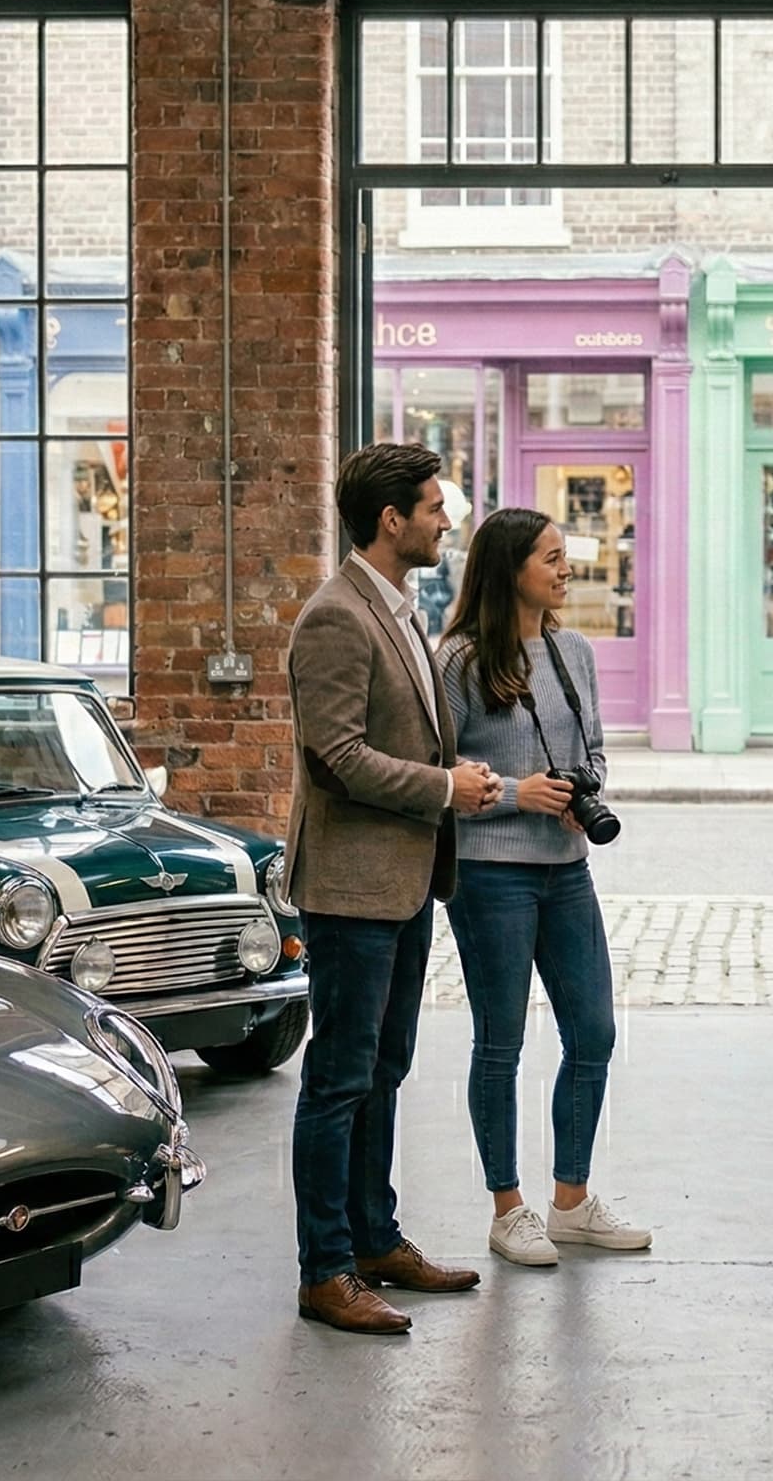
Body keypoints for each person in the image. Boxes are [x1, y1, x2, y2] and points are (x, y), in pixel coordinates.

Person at [284, 441, 503, 1335]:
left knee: (384, 1069)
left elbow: (400, 738)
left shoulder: (403, 610)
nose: (446, 521)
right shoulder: (334, 617)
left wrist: (458, 772)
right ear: (390, 520)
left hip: (404, 880)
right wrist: (444, 788)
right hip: (349, 887)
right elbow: (335, 759)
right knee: (337, 1080)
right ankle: (325, 1268)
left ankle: (376, 1240)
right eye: (433, 507)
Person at [435, 508, 650, 1267]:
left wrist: (582, 792)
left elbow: (593, 746)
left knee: (593, 1031)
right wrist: (515, 794)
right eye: (552, 558)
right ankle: (507, 1207)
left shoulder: (574, 651)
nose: (566, 570)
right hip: (490, 874)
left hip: (566, 872)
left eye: (566, 557)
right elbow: (442, 776)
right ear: (510, 568)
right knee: (501, 1042)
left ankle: (571, 1201)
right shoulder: (457, 661)